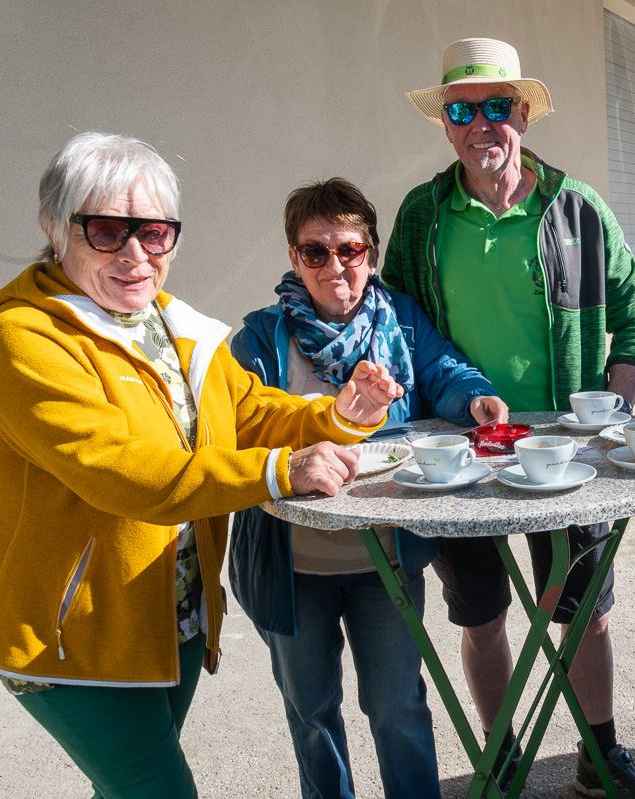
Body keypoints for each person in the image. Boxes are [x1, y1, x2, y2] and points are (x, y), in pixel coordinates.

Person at [0, 132, 404, 799]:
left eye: (154, 233)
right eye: (106, 231)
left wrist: (338, 413)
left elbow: (249, 409)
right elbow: (124, 470)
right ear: (55, 228)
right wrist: (279, 471)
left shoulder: (172, 323)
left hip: (173, 619)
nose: (135, 255)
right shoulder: (22, 338)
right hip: (70, 635)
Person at [384, 37, 635, 798]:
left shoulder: (577, 207)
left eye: (497, 106)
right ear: (446, 125)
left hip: (566, 449)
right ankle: (502, 755)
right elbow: (395, 326)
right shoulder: (421, 215)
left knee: (585, 613)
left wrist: (613, 412)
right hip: (458, 448)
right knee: (480, 617)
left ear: (525, 115)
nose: (481, 124)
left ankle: (599, 757)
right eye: (462, 111)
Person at [228, 177, 507, 799]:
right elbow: (235, 429)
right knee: (311, 713)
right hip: (293, 565)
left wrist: (474, 398)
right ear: (294, 258)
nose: (334, 266)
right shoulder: (259, 339)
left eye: (349, 250)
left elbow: (444, 370)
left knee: (397, 706)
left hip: (385, 555)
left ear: (372, 255)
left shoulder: (400, 318)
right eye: (315, 251)